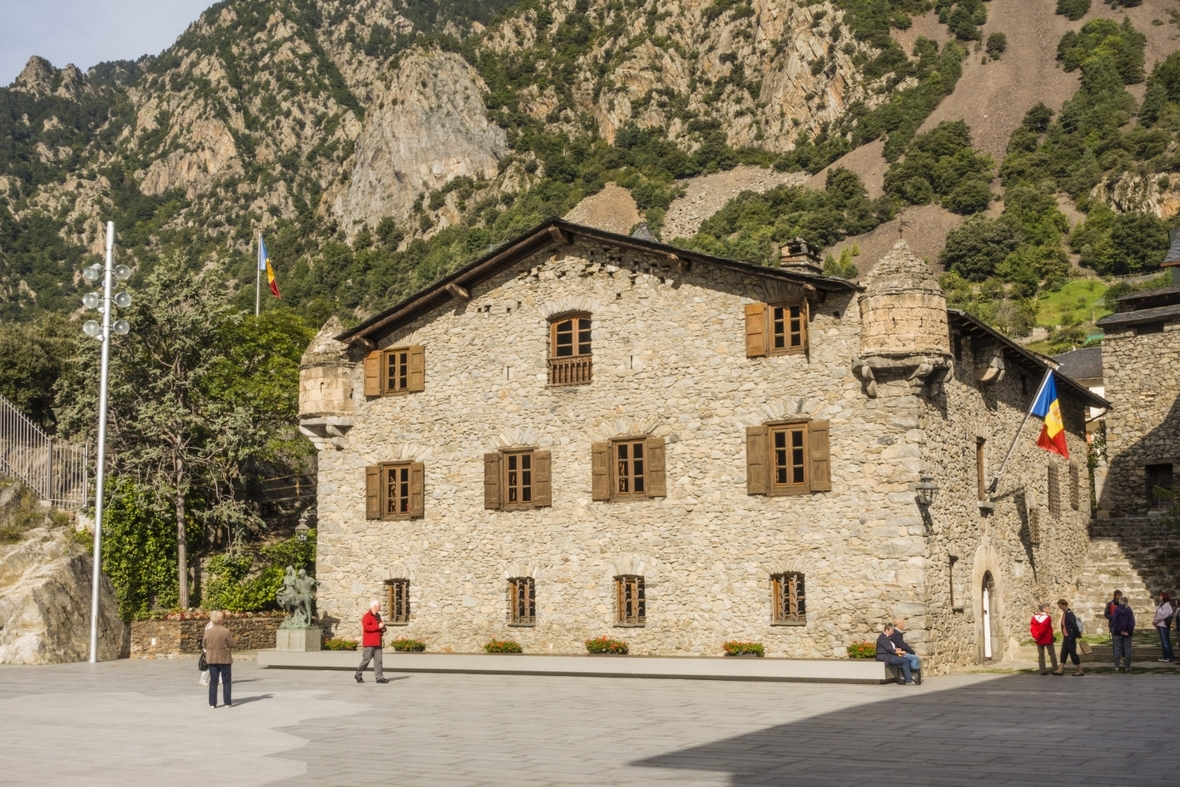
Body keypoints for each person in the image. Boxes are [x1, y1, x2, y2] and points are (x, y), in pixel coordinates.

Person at [203, 610, 237, 708]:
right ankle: (227, 702)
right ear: (220, 620)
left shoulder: (208, 632)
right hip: (224, 659)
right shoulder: (226, 631)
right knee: (226, 681)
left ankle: (212, 703)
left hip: (212, 658)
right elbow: (232, 644)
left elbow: (203, 644)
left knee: (213, 681)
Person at [355, 599, 389, 684]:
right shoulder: (367, 616)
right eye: (379, 605)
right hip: (369, 643)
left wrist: (383, 628)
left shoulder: (378, 616)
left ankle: (379, 677)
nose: (380, 607)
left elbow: (380, 626)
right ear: (374, 606)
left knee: (379, 661)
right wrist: (378, 626)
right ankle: (358, 674)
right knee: (366, 660)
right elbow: (366, 628)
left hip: (377, 642)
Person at [1052, 599, 1083, 676]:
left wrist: (1077, 635)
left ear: (1064, 605)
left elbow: (1074, 625)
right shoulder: (1065, 613)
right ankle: (1060, 669)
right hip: (1066, 636)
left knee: (1073, 653)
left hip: (1070, 636)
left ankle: (1080, 670)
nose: (1060, 608)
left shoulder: (1069, 614)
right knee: (1064, 653)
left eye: (1060, 606)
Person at [890, 618, 922, 685]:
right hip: (898, 653)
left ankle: (916, 676)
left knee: (914, 657)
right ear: (899, 624)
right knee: (914, 658)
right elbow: (901, 644)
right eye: (903, 623)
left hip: (900, 651)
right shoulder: (896, 633)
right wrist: (912, 652)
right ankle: (914, 676)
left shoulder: (897, 632)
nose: (904, 625)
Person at [1029, 603, 1058, 675]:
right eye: (1048, 608)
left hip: (1039, 639)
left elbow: (1032, 628)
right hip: (1047, 638)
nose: (1049, 609)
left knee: (1041, 655)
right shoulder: (1047, 618)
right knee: (1052, 654)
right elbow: (1044, 629)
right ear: (1045, 609)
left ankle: (1042, 670)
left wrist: (1036, 636)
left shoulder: (1034, 617)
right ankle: (1055, 669)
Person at [1112, 595, 1135, 672]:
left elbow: (1114, 621)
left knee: (1117, 649)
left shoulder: (1116, 610)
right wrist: (1128, 631)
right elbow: (1132, 622)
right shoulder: (1129, 610)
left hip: (1118, 633)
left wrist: (1120, 631)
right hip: (1128, 633)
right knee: (1127, 649)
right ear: (1127, 603)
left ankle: (1116, 666)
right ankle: (1127, 667)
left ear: (1120, 602)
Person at [1152, 592, 1174, 663]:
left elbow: (1163, 615)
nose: (1159, 597)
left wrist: (1156, 621)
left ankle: (1169, 656)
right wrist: (1155, 621)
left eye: (1161, 596)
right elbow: (1157, 614)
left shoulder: (1167, 606)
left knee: (1166, 641)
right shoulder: (1160, 605)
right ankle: (1165, 656)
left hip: (1163, 625)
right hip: (1159, 624)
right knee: (1163, 642)